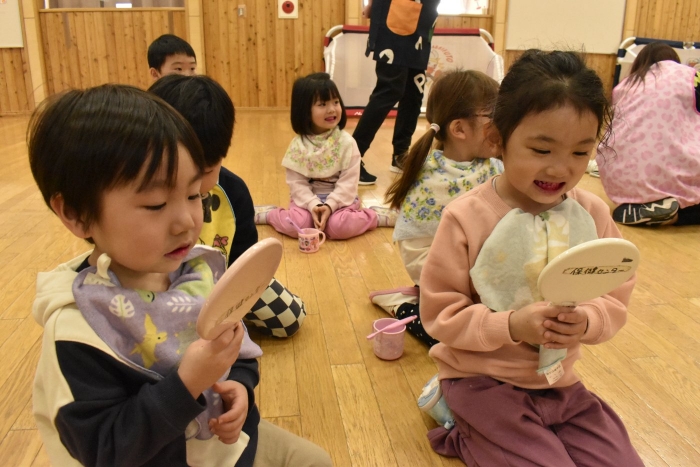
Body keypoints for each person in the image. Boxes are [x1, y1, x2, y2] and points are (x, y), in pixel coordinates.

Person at [29, 84, 332, 466]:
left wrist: (239, 384)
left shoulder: (197, 270)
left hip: (225, 444)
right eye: (156, 204)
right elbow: (105, 450)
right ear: (75, 213)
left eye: (193, 195)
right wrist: (186, 385)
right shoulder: (78, 330)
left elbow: (237, 347)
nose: (188, 221)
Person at [420, 50, 643, 465]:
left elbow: (613, 292)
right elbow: (440, 313)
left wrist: (587, 320)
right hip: (479, 381)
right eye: (542, 149)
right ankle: (460, 430)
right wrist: (509, 325)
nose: (561, 169)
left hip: (559, 383)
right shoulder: (466, 217)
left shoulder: (591, 214)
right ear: (496, 139)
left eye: (580, 153)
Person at [149, 74, 306, 338]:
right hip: (158, 284)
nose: (190, 186)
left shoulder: (234, 192)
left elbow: (245, 263)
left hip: (220, 285)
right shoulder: (144, 194)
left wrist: (228, 302)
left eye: (204, 173)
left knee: (290, 316)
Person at [368, 69, 502, 347]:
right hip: (446, 282)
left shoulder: (497, 166)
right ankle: (403, 305)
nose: (505, 126)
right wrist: (459, 285)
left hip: (491, 275)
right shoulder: (429, 180)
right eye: (495, 118)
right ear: (459, 129)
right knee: (452, 339)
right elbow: (416, 252)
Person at [255, 72, 397, 239]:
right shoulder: (298, 146)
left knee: (338, 227)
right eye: (322, 104)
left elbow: (348, 184)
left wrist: (330, 205)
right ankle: (269, 214)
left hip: (341, 201)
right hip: (306, 201)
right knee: (298, 224)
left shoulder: (347, 143)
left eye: (335, 102)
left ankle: (375, 216)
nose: (332, 109)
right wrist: (313, 205)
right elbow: (297, 184)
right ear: (304, 110)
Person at [597, 41, 700, 226]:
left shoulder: (625, 86)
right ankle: (678, 215)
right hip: (668, 174)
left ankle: (644, 204)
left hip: (617, 179)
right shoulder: (689, 76)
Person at [352, 0, 441, 185]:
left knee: (414, 94)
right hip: (397, 15)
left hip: (423, 20)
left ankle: (400, 155)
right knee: (389, 90)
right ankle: (351, 159)